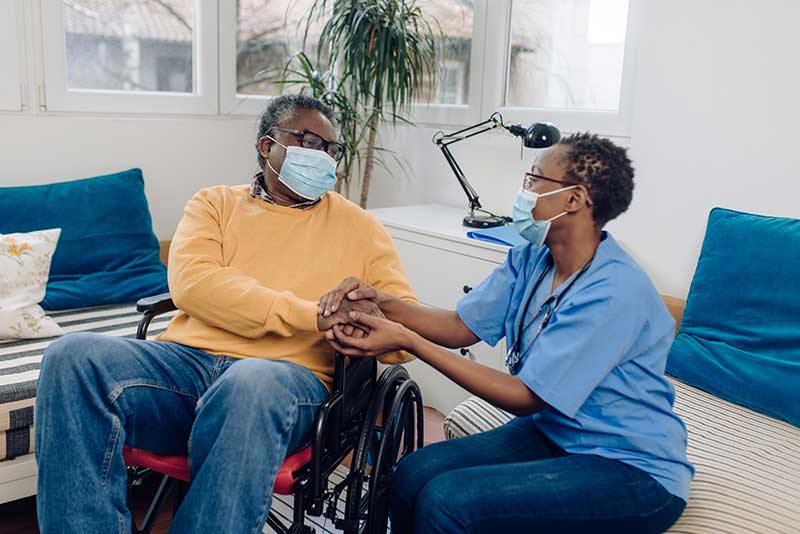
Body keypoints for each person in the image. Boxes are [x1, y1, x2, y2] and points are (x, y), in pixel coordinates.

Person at [34, 95, 415, 534]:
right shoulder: (214, 204)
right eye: (309, 141)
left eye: (331, 150)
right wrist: (311, 314)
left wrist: (374, 327)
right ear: (267, 146)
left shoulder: (362, 229)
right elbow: (195, 285)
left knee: (251, 381)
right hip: (186, 370)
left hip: (285, 381)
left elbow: (402, 328)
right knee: (69, 356)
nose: (323, 157)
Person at [320, 133, 693, 533]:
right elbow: (460, 327)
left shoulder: (615, 291)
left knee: (447, 503)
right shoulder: (532, 256)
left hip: (630, 467)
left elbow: (524, 397)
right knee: (412, 472)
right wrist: (383, 301)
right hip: (557, 433)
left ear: (575, 198)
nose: (523, 191)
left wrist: (406, 339)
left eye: (534, 180)